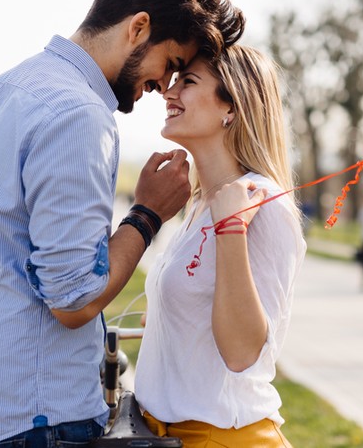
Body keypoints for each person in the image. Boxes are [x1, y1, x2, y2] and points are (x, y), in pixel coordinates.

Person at [0, 0, 245, 448]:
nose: (163, 85)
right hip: (40, 421)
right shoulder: (79, 114)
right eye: (172, 63)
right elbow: (74, 299)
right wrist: (147, 215)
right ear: (138, 27)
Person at [134, 45, 305, 447]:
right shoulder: (197, 203)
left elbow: (243, 352)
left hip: (224, 437)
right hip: (168, 433)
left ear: (232, 107)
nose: (169, 92)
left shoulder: (262, 204)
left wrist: (231, 228)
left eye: (188, 82)